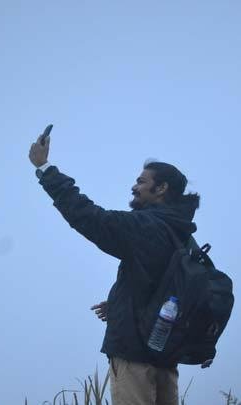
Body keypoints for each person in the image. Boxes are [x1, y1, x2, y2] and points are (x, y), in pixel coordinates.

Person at [28, 132, 200, 405]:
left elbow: (90, 217)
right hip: (166, 357)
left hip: (135, 354)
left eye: (141, 182)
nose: (134, 187)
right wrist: (121, 305)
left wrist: (45, 169)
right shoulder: (183, 236)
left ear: (161, 188)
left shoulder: (146, 226)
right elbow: (166, 287)